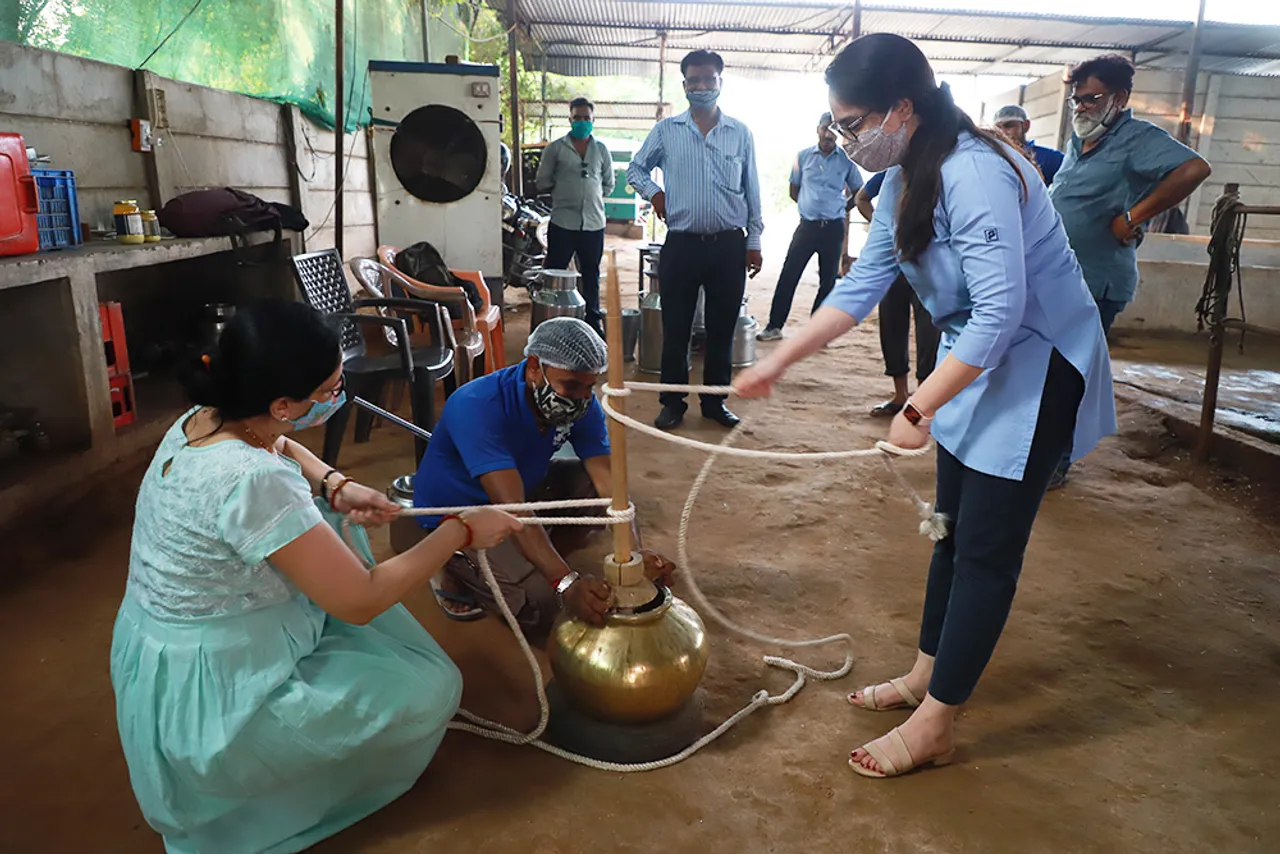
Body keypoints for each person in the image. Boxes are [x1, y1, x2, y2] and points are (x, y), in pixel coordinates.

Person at [735, 33, 1117, 779]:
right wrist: (780, 356)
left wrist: (918, 411)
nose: (846, 140)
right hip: (974, 358)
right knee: (947, 530)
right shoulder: (905, 176)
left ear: (901, 109)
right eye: (837, 125)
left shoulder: (976, 170)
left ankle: (938, 720)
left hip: (1036, 365)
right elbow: (862, 284)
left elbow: (1003, 312)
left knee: (984, 552)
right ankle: (925, 674)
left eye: (853, 124)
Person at [110, 300, 523, 853]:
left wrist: (333, 482)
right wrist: (459, 534)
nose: (338, 395)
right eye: (329, 389)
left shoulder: (206, 417)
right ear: (282, 402)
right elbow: (359, 601)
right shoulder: (254, 483)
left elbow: (277, 441)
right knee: (432, 690)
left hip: (167, 654)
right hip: (217, 694)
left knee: (370, 632)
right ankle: (265, 810)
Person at [413, 317, 676, 633]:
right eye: (571, 385)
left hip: (523, 487)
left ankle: (534, 556)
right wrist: (567, 583)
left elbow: (610, 482)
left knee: (592, 486)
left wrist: (634, 553)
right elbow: (513, 507)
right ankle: (453, 567)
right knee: (543, 604)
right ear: (535, 367)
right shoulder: (477, 406)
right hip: (464, 513)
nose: (580, 397)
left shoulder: (580, 404)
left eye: (589, 386)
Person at [1048, 53, 1210, 488]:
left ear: (1119, 97)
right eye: (1076, 100)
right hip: (1059, 278)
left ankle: (1056, 463)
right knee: (1045, 369)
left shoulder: (1137, 138)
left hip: (1096, 280)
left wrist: (1133, 218)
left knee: (1067, 374)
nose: (1081, 107)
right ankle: (1041, 451)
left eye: (1091, 98)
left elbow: (1194, 169)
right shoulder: (1079, 142)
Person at [628, 49, 765, 431]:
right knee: (677, 328)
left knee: (722, 329)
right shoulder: (668, 131)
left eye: (709, 80)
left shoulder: (740, 133)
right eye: (694, 81)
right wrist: (655, 193)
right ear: (685, 84)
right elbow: (635, 169)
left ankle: (715, 404)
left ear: (721, 82)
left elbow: (751, 190)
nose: (702, 86)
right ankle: (672, 402)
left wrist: (753, 241)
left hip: (728, 247)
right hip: (682, 246)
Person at [757, 112, 864, 342]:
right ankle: (774, 326)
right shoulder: (803, 157)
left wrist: (842, 208)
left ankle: (816, 333)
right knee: (789, 275)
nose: (828, 134)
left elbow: (859, 191)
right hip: (807, 228)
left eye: (834, 130)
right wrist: (810, 207)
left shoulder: (846, 161)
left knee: (828, 281)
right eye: (825, 129)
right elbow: (793, 189)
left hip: (833, 229)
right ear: (818, 129)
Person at [854, 170, 942, 418]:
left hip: (928, 263)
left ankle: (923, 400)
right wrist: (882, 226)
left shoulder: (938, 171)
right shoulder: (890, 173)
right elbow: (861, 198)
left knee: (929, 330)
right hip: (893, 262)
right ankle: (900, 395)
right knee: (892, 325)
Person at [535, 97, 615, 334]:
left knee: (591, 274)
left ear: (593, 120)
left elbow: (608, 185)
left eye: (586, 118)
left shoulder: (601, 149)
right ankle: (553, 322)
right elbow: (543, 181)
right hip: (563, 223)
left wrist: (590, 194)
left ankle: (592, 321)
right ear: (569, 119)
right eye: (577, 118)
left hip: (593, 224)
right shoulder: (556, 149)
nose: (582, 122)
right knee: (556, 273)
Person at [991, 105, 1064, 186]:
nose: (1003, 132)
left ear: (1026, 125)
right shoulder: (990, 158)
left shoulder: (1048, 157)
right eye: (998, 128)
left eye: (1009, 125)